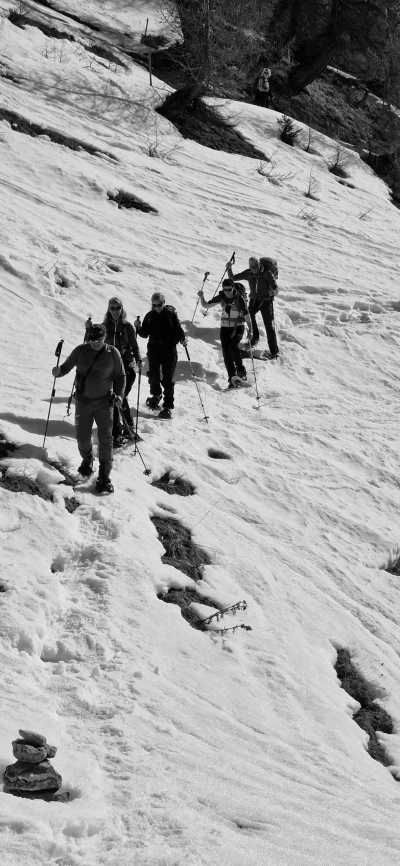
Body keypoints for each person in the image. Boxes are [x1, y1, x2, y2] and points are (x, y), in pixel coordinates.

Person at [52, 322, 125, 494]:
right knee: (82, 437)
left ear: (104, 337)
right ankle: (87, 459)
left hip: (104, 403)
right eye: (92, 339)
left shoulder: (112, 353)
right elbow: (65, 367)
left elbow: (120, 376)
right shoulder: (80, 351)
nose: (95, 342)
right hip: (83, 402)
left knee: (105, 439)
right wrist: (58, 371)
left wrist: (120, 395)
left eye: (98, 339)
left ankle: (104, 477)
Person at [135, 293, 187, 419]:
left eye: (159, 304)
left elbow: (178, 330)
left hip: (169, 350)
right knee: (153, 375)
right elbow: (144, 334)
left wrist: (182, 340)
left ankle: (168, 406)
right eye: (154, 305)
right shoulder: (150, 316)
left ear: (164, 302)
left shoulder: (170, 315)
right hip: (153, 349)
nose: (157, 307)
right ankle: (156, 395)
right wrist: (138, 327)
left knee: (167, 378)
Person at [102, 296, 142, 446]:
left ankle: (124, 429)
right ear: (108, 309)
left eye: (118, 308)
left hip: (126, 367)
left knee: (120, 397)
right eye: (112, 308)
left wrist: (138, 359)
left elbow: (134, 346)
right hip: (110, 368)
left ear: (122, 309)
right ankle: (123, 429)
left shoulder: (127, 327)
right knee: (117, 398)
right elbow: (93, 343)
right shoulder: (104, 327)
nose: (115, 311)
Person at [198, 279, 251, 388]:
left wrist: (251, 329)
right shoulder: (222, 297)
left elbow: (246, 315)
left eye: (229, 289)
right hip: (225, 329)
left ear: (233, 288)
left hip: (238, 327)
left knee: (233, 346)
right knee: (226, 353)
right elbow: (206, 305)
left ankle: (241, 371)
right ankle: (232, 377)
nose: (227, 291)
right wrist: (201, 296)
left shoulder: (239, 299)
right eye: (225, 289)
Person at [227, 256, 279, 357]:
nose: (254, 270)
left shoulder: (267, 273)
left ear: (259, 265)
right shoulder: (249, 273)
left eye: (255, 267)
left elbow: (275, 286)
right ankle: (255, 338)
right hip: (254, 300)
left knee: (269, 326)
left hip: (266, 302)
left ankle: (274, 352)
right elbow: (233, 278)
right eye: (252, 268)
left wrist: (274, 291)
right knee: (250, 315)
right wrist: (229, 268)